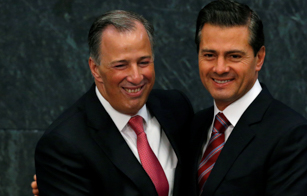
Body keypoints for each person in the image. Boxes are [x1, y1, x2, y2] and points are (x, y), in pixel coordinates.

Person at [34, 10, 193, 196]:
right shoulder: (63, 145)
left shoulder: (176, 107)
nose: (136, 77)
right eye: (121, 65)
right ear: (95, 69)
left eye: (143, 62)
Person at [186, 0, 307, 196]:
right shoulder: (195, 126)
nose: (220, 68)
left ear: (259, 58)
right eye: (209, 55)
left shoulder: (292, 136)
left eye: (234, 56)